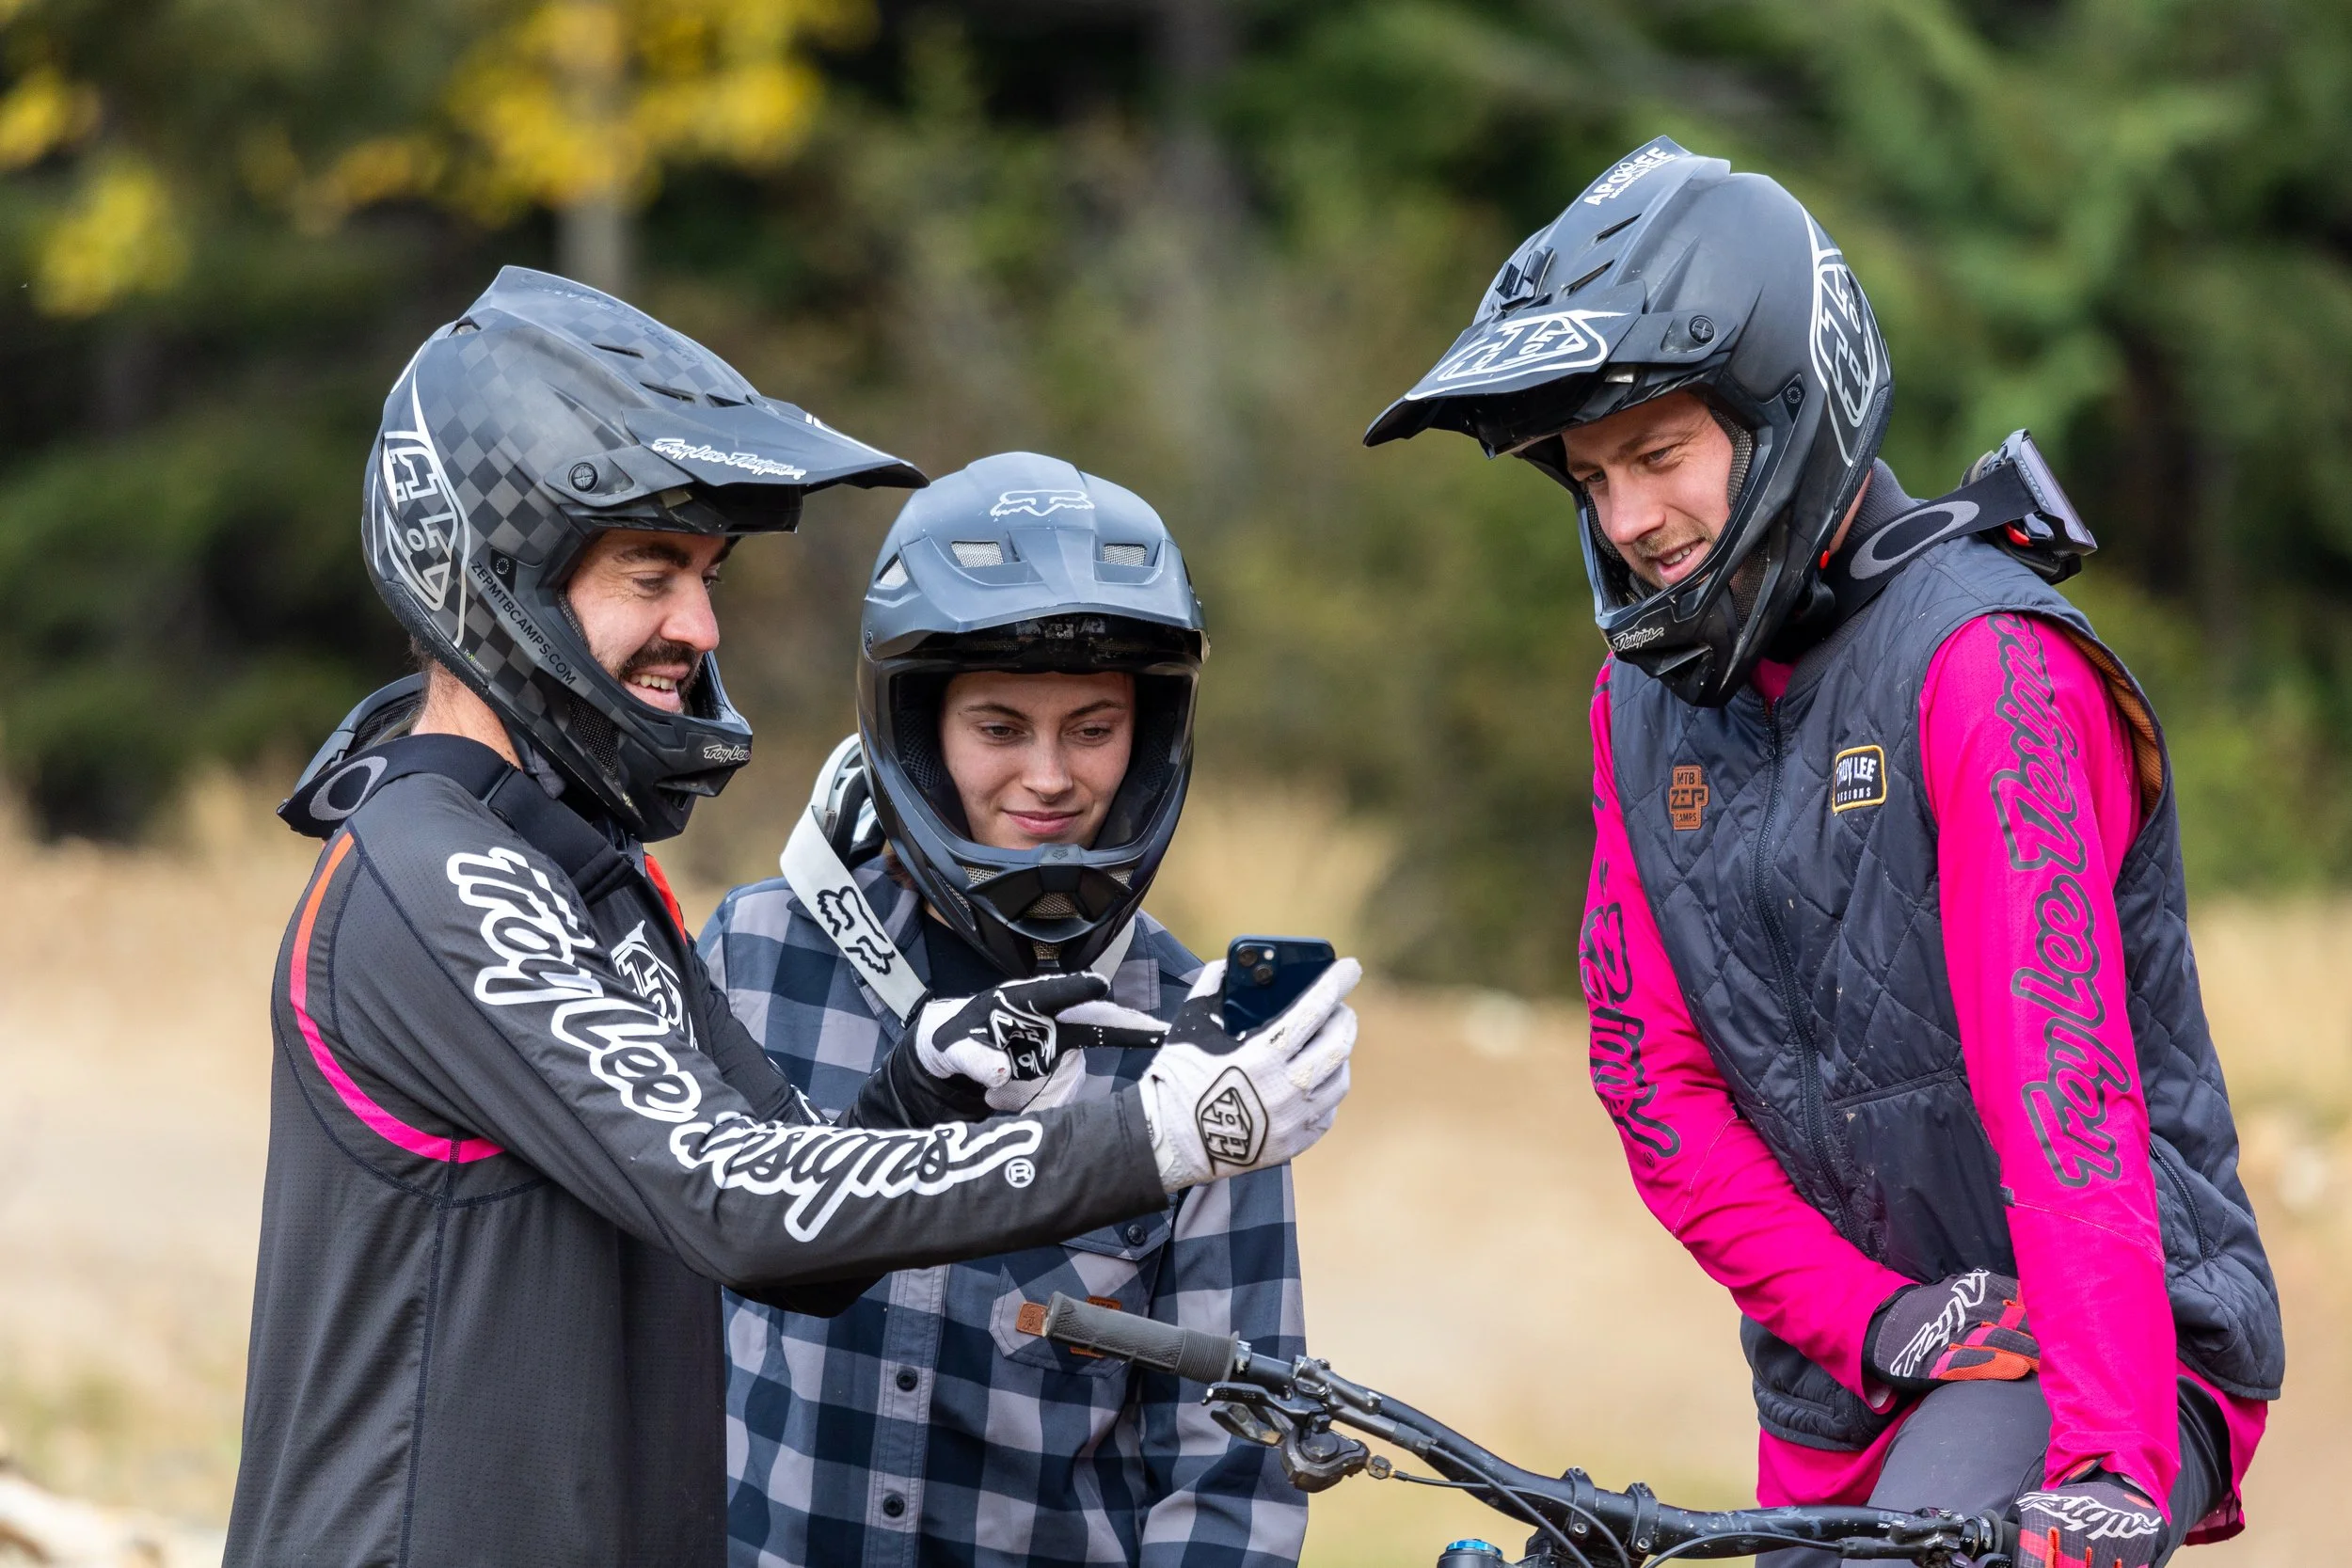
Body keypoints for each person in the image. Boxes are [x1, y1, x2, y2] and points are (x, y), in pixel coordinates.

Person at [229, 269, 1358, 1568]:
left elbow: (784, 1238)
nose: (700, 625)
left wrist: (922, 1088)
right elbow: (736, 1199)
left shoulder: (580, 872)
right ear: (494, 572)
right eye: (653, 571)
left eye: (705, 576)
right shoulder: (436, 882)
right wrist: (1159, 1132)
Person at [1364, 140, 2282, 1568]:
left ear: (1789, 409)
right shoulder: (1637, 704)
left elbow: (2066, 1093)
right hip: (1849, 1373)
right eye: (1594, 476)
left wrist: (2106, 1464)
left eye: (1661, 455)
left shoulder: (1987, 667)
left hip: (2099, 1349)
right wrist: (1867, 1314)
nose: (1627, 521)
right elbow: (1649, 1076)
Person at [702, 451, 1310, 1568]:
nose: (1048, 776)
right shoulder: (756, 952)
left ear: (1149, 737)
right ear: (919, 732)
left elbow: (1230, 1464)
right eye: (998, 727)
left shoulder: (1198, 1031)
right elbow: (643, 1322)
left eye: (1091, 726)